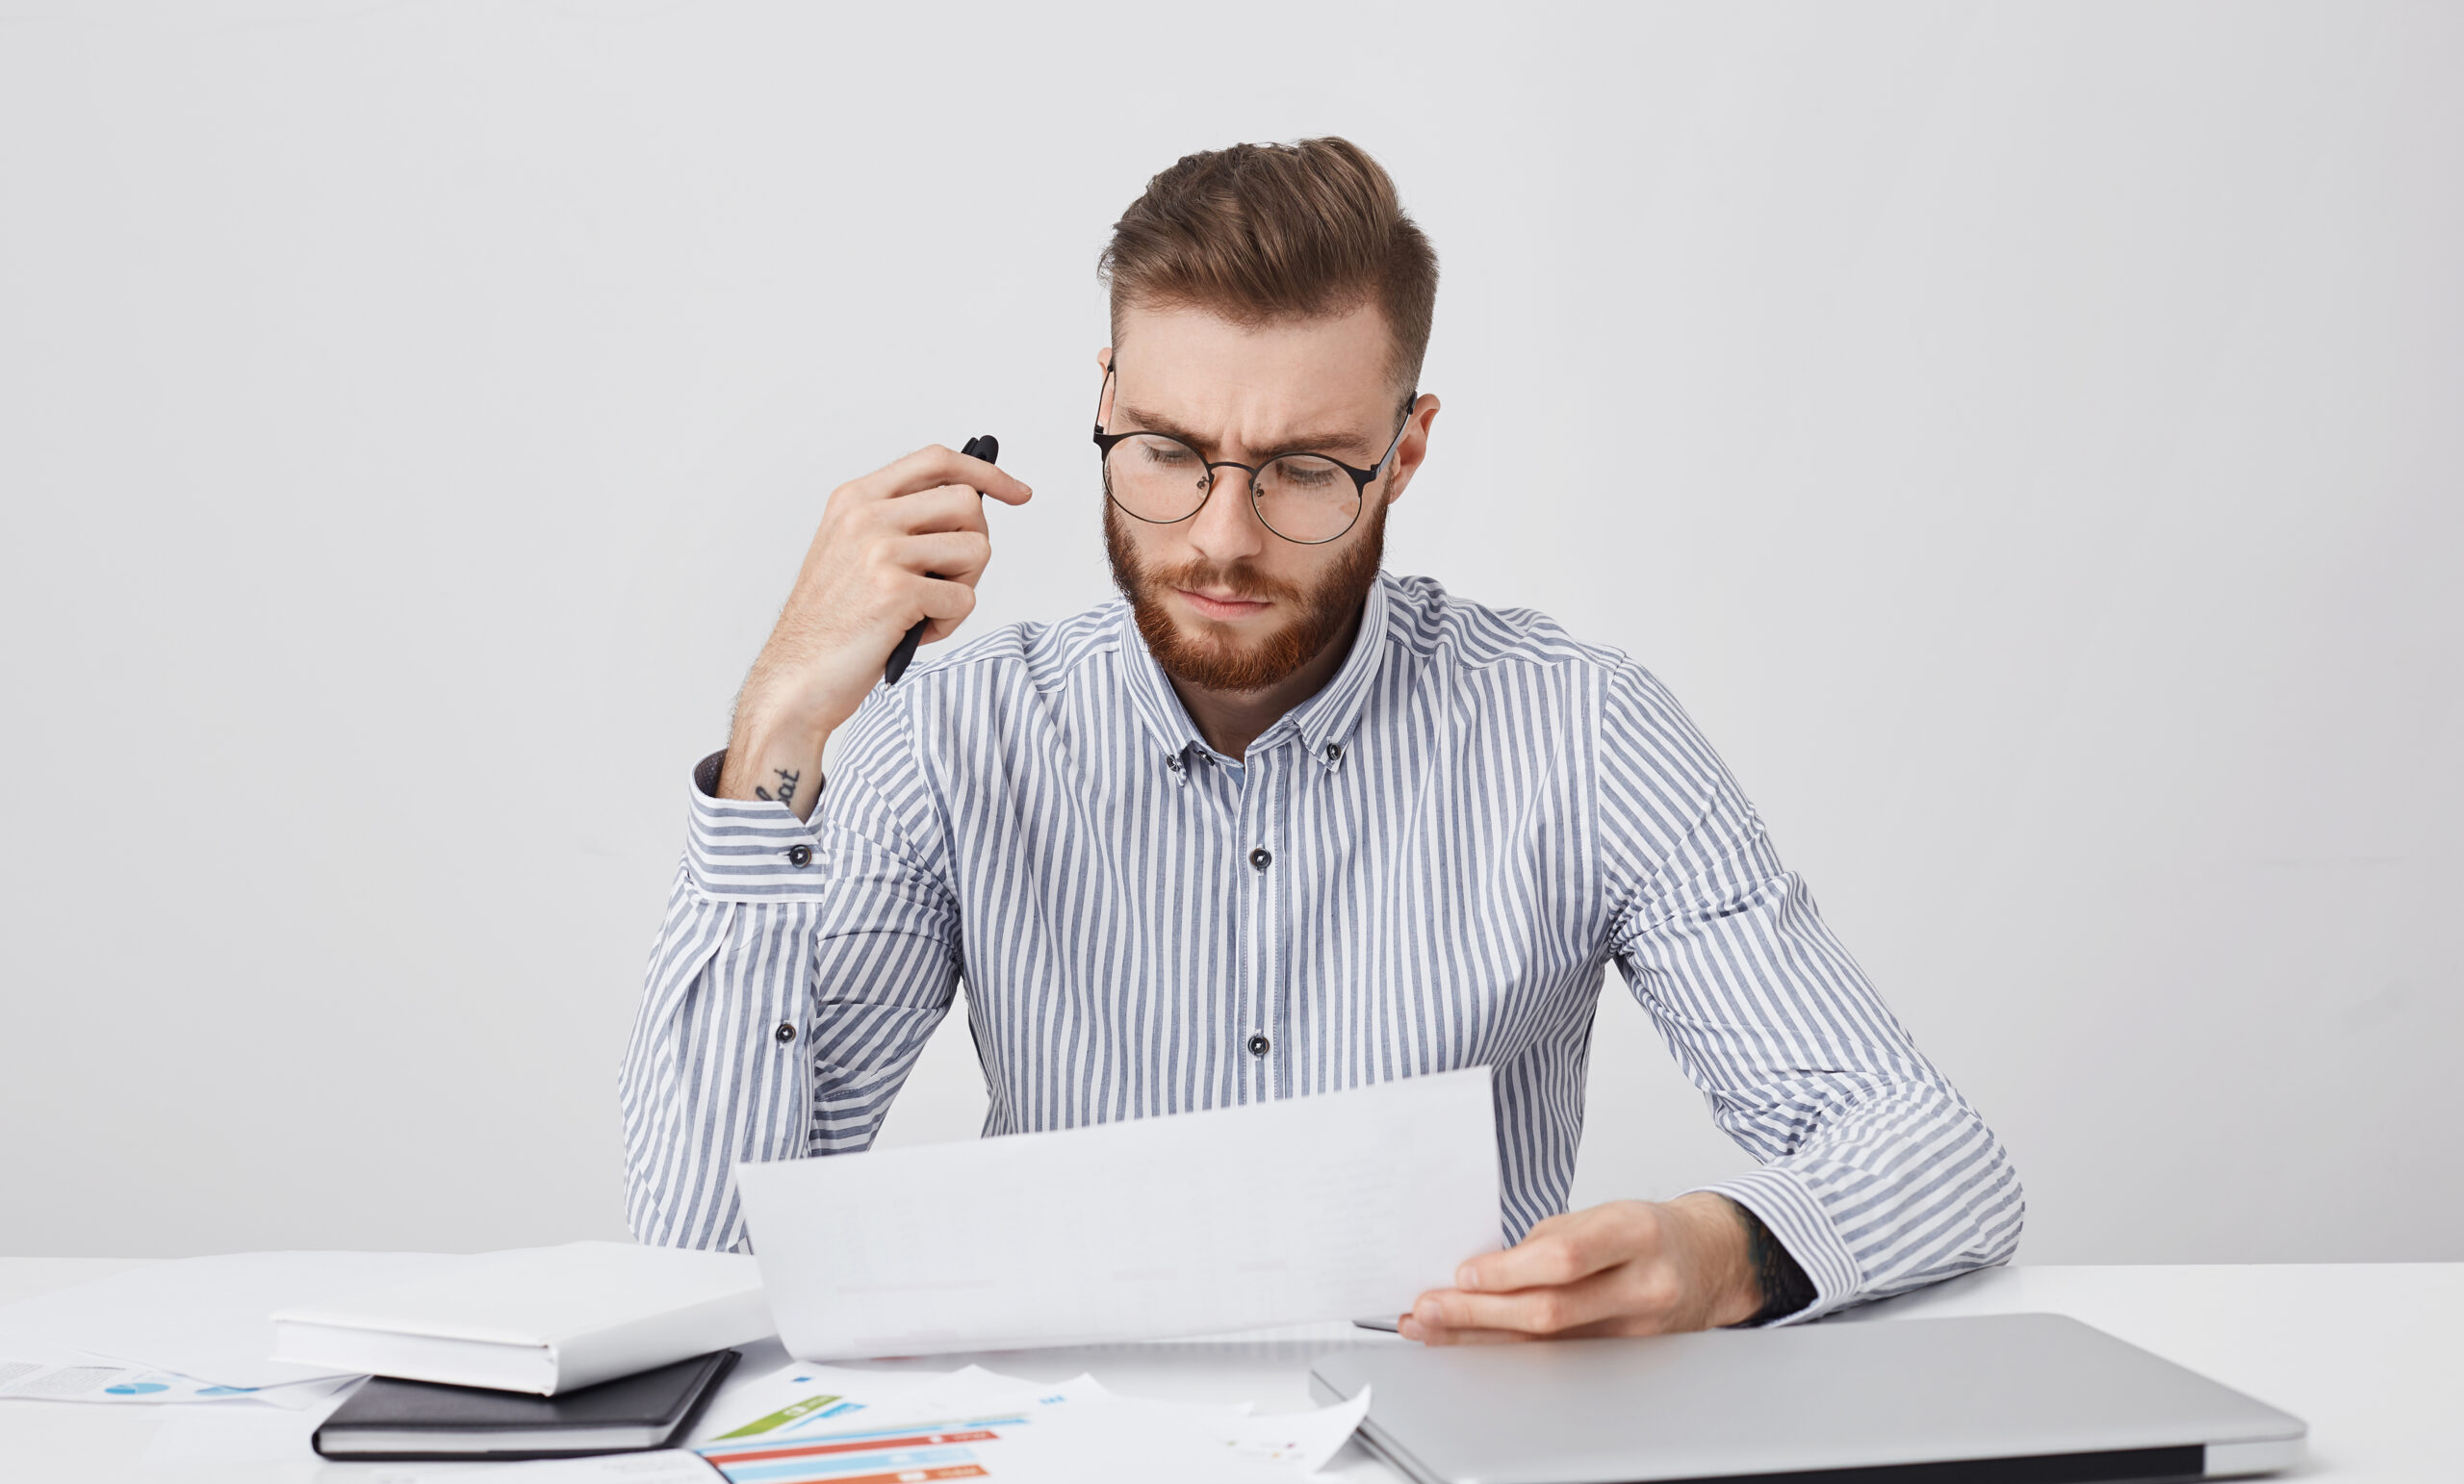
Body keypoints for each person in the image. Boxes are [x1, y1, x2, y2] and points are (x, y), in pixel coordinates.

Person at [619, 137, 2023, 1340]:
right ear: (1103, 400)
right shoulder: (964, 737)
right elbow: (702, 1252)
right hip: (1076, 1481)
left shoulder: (1581, 730)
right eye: (1168, 451)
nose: (1222, 541)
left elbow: (1935, 1158)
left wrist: (1720, 1256)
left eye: (1302, 469)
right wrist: (781, 723)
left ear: (1405, 450)